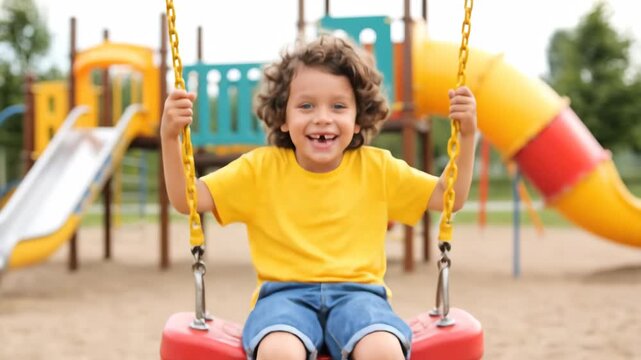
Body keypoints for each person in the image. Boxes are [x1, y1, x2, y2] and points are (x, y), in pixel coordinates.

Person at [160, 35, 477, 360]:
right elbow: (188, 200)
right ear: (283, 117)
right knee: (279, 351)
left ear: (358, 120)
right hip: (283, 298)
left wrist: (466, 137)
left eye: (338, 106)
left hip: (361, 296)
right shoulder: (259, 169)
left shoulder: (378, 168)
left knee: (383, 349)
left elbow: (447, 196)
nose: (322, 117)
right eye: (306, 105)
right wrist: (170, 138)